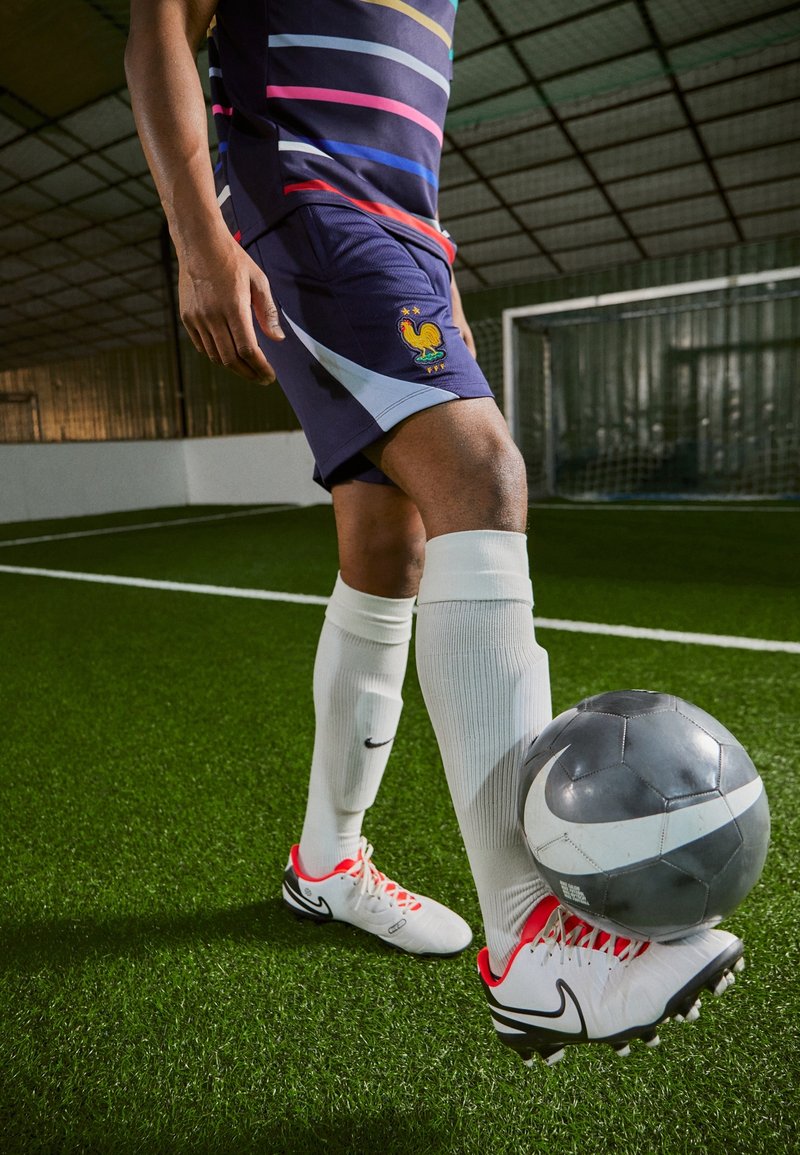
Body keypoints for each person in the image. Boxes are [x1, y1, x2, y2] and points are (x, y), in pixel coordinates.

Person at [125, 0, 744, 1063]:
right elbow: (159, 22)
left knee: (388, 543)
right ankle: (532, 946)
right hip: (306, 205)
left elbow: (401, 120)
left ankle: (325, 862)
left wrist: (438, 263)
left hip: (400, 229)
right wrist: (197, 235)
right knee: (480, 473)